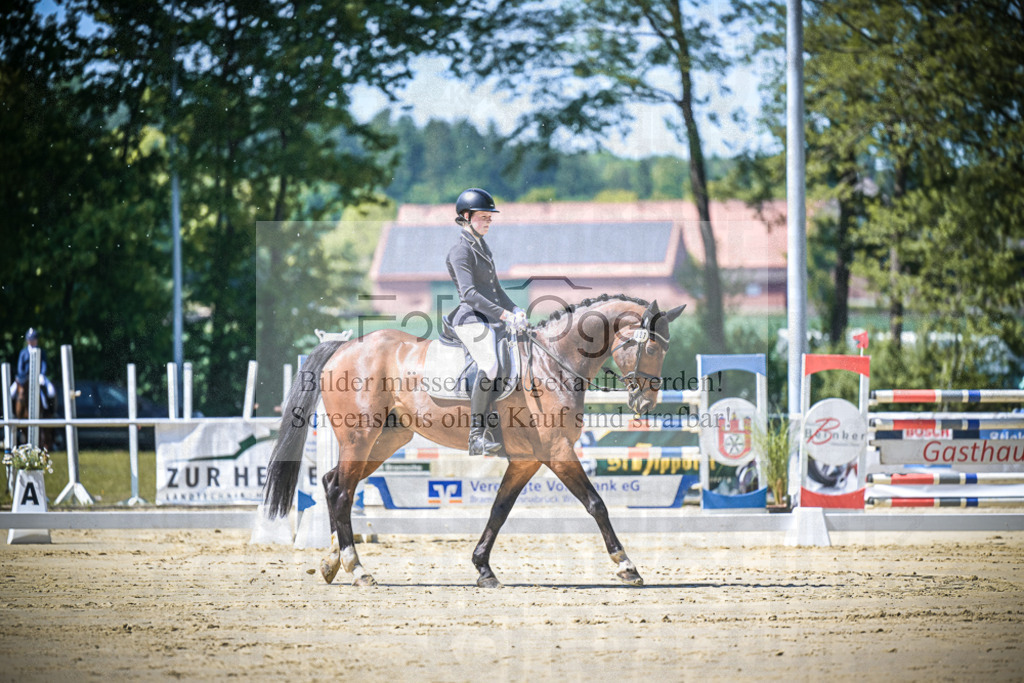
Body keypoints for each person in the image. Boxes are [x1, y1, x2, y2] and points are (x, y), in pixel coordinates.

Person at [445, 188, 528, 456]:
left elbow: (496, 289)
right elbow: (470, 294)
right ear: (466, 217)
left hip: (491, 318)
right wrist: (504, 315)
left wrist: (515, 309)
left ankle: (501, 428)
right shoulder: (460, 251)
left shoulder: (482, 246)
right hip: (470, 317)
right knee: (490, 364)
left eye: (490, 217)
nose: (488, 221)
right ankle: (476, 436)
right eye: (484, 217)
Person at [12, 328, 56, 409]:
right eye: (30, 339)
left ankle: (50, 411)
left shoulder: (41, 351)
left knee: (51, 391)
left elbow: (44, 364)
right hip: (24, 378)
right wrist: (24, 376)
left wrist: (42, 374)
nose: (31, 341)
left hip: (38, 376)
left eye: (33, 339)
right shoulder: (23, 352)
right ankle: (12, 412)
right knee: (11, 392)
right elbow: (20, 368)